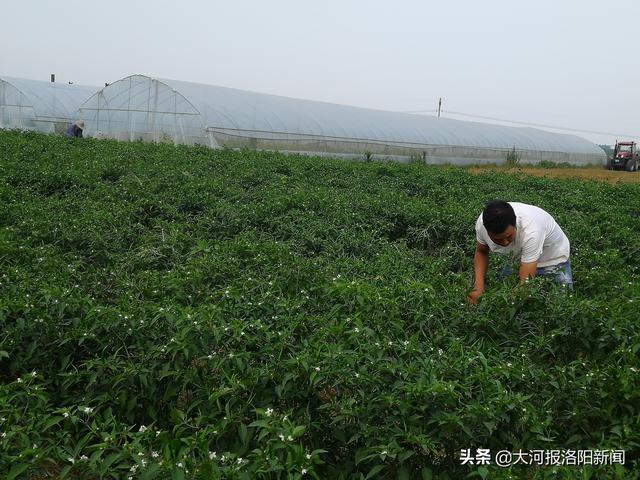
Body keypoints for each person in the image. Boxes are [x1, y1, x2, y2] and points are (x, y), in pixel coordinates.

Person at [468, 200, 572, 304]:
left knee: (562, 304)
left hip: (553, 258)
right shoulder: (482, 225)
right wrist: (478, 287)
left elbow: (525, 284)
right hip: (520, 258)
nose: (504, 243)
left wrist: (504, 306)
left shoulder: (531, 230)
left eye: (508, 236)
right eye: (497, 240)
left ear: (516, 225)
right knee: (503, 288)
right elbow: (481, 251)